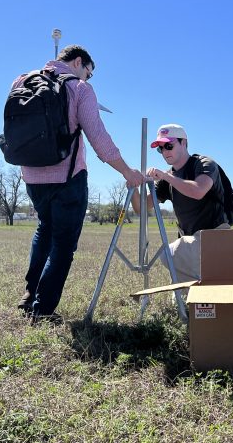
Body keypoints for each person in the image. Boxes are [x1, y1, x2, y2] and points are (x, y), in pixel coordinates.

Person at [15, 45, 144, 324]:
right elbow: (99, 139)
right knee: (63, 244)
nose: (89, 78)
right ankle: (43, 309)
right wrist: (126, 171)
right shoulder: (80, 88)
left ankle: (29, 296)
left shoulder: (22, 80)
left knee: (44, 229)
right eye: (89, 72)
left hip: (32, 177)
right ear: (77, 62)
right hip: (67, 178)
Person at [131, 123, 231, 283]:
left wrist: (166, 176)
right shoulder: (167, 178)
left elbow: (198, 191)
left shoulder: (204, 164)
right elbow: (141, 208)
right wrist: (133, 185)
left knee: (168, 254)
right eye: (160, 148)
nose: (164, 152)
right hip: (190, 242)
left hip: (214, 237)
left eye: (169, 146)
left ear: (184, 142)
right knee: (181, 298)